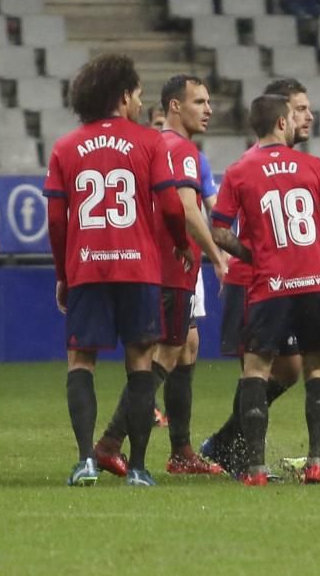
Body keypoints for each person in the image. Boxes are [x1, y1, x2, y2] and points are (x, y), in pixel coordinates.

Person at [43, 54, 194, 487]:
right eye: (138, 93)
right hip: (140, 268)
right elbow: (169, 205)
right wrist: (182, 244)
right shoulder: (150, 143)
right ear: (123, 95)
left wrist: (62, 272)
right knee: (140, 361)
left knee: (81, 360)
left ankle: (85, 460)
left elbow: (56, 220)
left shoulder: (65, 147)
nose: (140, 100)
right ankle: (141, 468)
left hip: (87, 268)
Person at [211, 94, 320, 486]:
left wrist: (251, 253)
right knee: (316, 368)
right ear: (279, 123)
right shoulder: (313, 166)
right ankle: (316, 464)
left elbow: (219, 231)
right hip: (315, 282)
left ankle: (255, 468)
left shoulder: (239, 170)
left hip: (270, 285)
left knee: (256, 369)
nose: (296, 122)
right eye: (292, 117)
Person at [92, 75, 228, 478]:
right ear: (173, 107)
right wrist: (217, 256)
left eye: (209, 101)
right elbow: (188, 209)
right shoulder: (180, 148)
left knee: (186, 345)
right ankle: (111, 441)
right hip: (171, 267)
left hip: (155, 264)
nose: (208, 109)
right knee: (164, 353)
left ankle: (182, 450)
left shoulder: (151, 145)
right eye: (199, 102)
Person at [199, 78, 317, 477]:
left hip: (281, 283)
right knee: (260, 369)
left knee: (288, 370)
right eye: (300, 109)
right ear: (281, 116)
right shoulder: (253, 165)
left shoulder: (296, 166)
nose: (307, 116)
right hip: (254, 283)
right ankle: (241, 454)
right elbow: (223, 227)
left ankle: (224, 443)